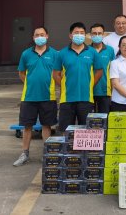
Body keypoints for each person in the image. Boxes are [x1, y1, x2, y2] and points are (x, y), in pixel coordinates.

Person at [13, 27, 58, 167]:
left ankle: (47, 154)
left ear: (47, 36)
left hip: (48, 96)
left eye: (42, 34)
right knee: (27, 127)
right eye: (37, 35)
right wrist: (31, 84)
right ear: (33, 38)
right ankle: (24, 154)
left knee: (46, 126)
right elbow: (21, 73)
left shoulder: (55, 54)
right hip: (29, 97)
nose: (40, 37)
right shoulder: (26, 54)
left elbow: (58, 73)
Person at [53, 22, 103, 132]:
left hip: (86, 99)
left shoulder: (92, 52)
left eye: (82, 33)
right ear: (70, 35)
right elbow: (55, 73)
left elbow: (99, 71)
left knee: (86, 131)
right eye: (76, 33)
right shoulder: (62, 53)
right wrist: (64, 85)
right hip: (67, 99)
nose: (79, 35)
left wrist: (90, 84)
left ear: (85, 35)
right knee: (66, 131)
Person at [90, 23, 115, 114]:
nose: (97, 35)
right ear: (90, 35)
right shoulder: (86, 50)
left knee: (104, 119)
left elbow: (113, 71)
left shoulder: (110, 50)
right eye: (94, 33)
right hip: (89, 91)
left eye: (99, 33)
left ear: (103, 34)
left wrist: (113, 92)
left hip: (105, 91)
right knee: (89, 120)